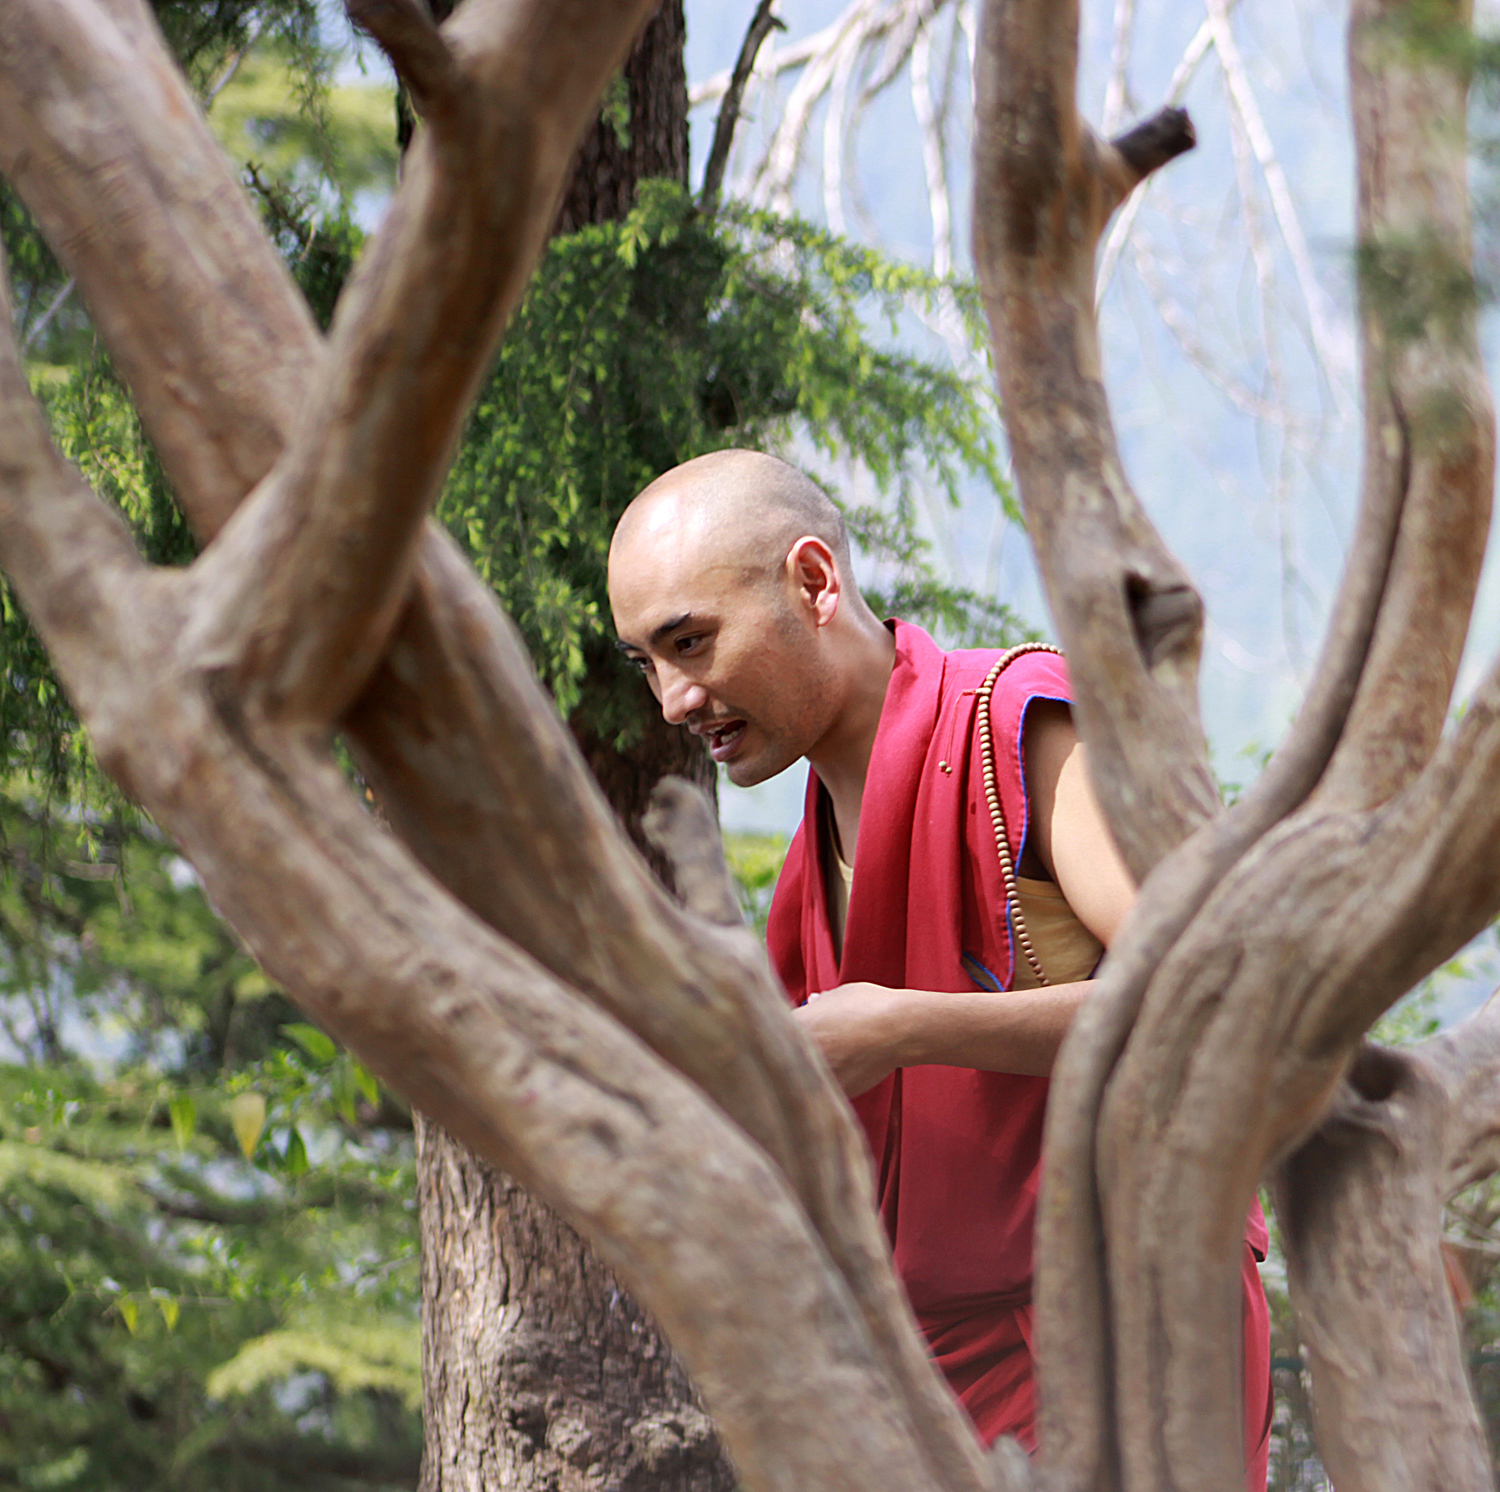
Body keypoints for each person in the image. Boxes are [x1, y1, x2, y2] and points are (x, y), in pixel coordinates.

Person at [607, 449, 1271, 1486]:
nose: (674, 700)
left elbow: (1210, 994)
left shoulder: (1015, 725)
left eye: (691, 641)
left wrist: (909, 1024)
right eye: (645, 661)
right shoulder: (803, 870)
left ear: (816, 581)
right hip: (927, 1379)